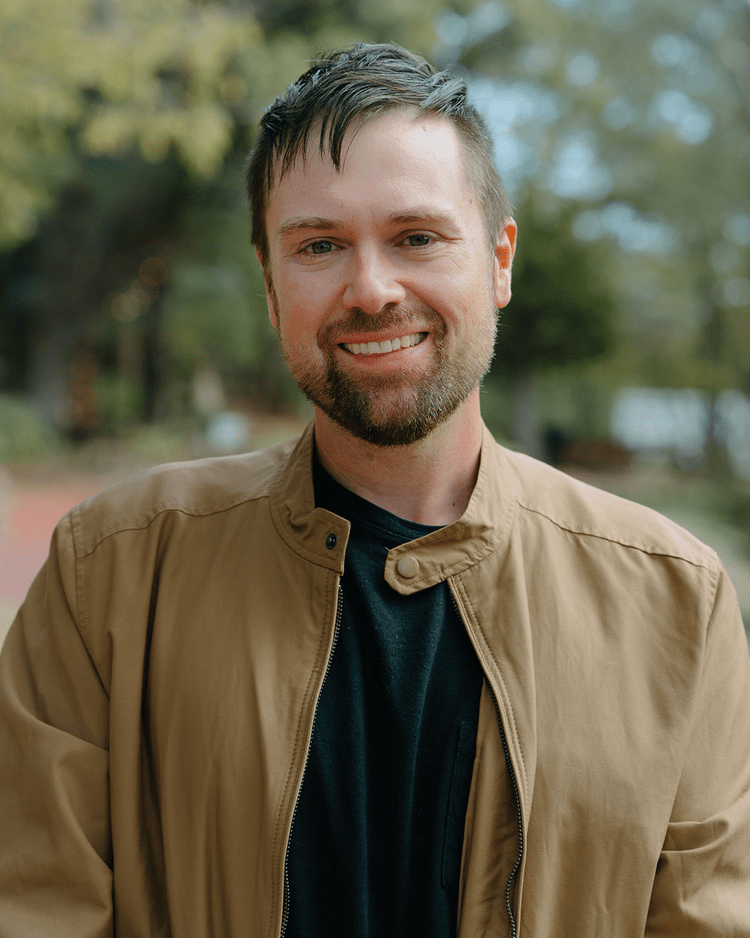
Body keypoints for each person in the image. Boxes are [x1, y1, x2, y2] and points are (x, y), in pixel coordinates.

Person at [1, 42, 749, 938]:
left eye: (417, 237)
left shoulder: (673, 599)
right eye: (319, 245)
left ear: (500, 260)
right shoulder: (111, 574)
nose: (372, 288)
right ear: (272, 288)